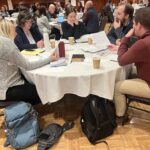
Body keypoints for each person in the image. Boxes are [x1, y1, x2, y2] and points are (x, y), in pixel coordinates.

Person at [0, 18, 58, 105]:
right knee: (42, 91)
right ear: (8, 30)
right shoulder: (7, 43)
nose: (16, 32)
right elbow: (27, 65)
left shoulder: (2, 41)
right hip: (7, 88)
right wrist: (50, 59)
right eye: (13, 29)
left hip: (3, 85)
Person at [114, 7, 150, 120]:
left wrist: (126, 37)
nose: (133, 27)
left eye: (134, 24)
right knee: (129, 70)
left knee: (117, 86)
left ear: (139, 25)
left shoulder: (143, 43)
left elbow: (121, 60)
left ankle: (120, 116)